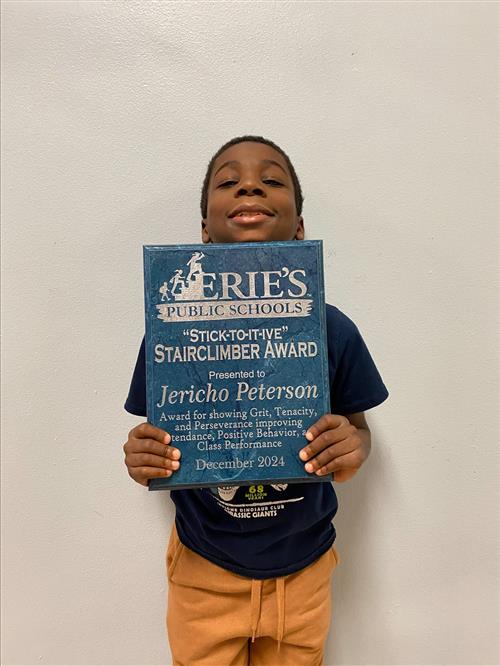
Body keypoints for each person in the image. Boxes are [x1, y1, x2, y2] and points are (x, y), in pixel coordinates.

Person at [123, 136, 388, 665]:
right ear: (203, 234)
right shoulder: (170, 332)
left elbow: (358, 431)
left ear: (300, 230)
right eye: (228, 181)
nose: (249, 185)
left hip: (306, 569)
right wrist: (141, 455)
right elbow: (155, 439)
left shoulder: (331, 330)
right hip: (204, 570)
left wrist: (352, 445)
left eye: (271, 180)